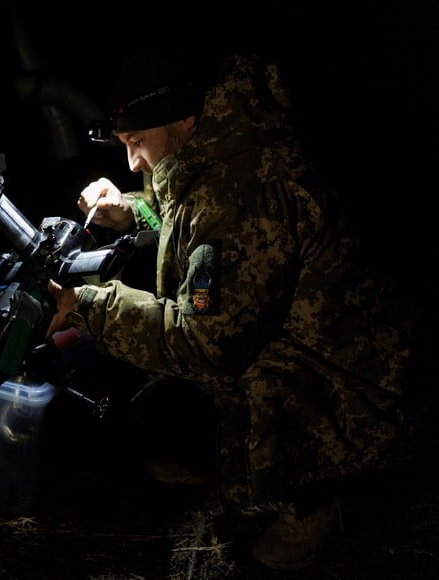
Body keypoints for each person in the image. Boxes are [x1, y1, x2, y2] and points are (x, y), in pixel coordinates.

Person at [44, 50, 423, 570]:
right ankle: (237, 460)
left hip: (349, 383)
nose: (131, 162)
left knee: (198, 381)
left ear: (183, 118)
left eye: (137, 143)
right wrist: (131, 208)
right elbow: (187, 213)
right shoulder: (218, 144)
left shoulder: (245, 188)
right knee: (160, 409)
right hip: (298, 338)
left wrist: (85, 304)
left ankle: (318, 496)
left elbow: (206, 340)